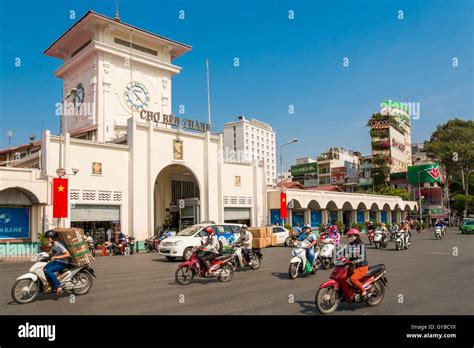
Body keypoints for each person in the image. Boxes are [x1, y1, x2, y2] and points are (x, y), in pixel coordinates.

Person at [43, 230, 71, 295]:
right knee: (44, 268)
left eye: (48, 238)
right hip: (57, 261)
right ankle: (51, 284)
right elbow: (53, 253)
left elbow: (67, 254)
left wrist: (56, 257)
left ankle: (58, 286)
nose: (47, 239)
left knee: (48, 271)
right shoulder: (53, 244)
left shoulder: (59, 245)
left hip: (63, 263)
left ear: (53, 238)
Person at [346, 228, 368, 299]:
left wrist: (355, 259)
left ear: (356, 236)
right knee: (343, 277)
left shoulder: (361, 245)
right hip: (353, 266)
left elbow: (361, 256)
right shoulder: (350, 244)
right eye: (349, 236)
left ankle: (363, 290)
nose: (350, 238)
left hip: (361, 267)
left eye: (351, 236)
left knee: (353, 279)